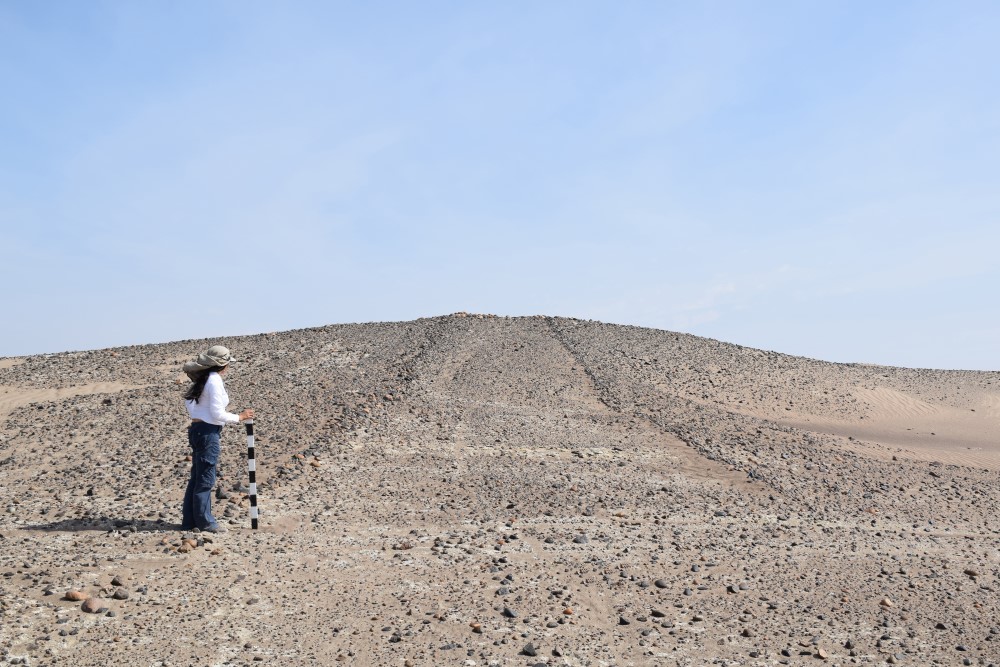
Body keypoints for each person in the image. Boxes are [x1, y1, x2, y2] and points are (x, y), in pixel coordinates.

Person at [181, 345, 253, 533]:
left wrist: (199, 416)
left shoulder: (203, 379)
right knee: (205, 477)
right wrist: (240, 417)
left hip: (197, 429)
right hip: (207, 432)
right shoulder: (214, 380)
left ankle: (189, 521)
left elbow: (190, 402)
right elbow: (217, 412)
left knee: (197, 476)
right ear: (224, 364)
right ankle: (206, 523)